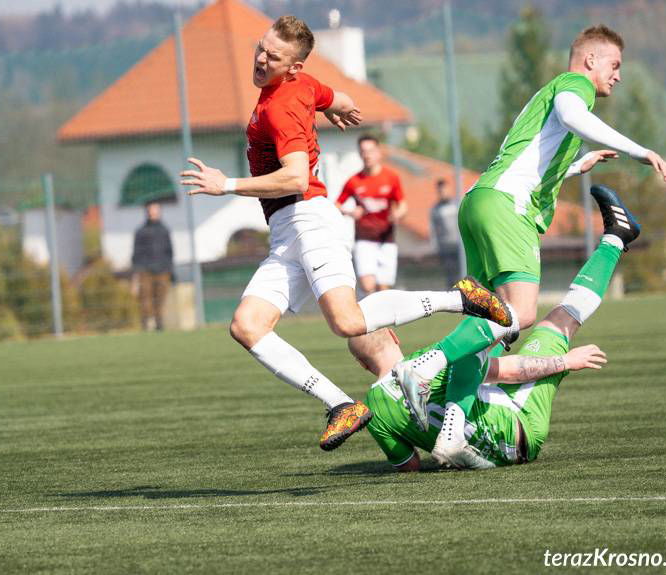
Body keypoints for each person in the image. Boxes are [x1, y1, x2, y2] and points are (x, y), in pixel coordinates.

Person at [181, 15, 511, 451]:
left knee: (348, 322)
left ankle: (461, 298)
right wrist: (338, 107)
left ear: (293, 67)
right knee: (247, 325)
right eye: (261, 47)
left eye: (273, 56)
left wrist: (226, 185)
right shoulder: (302, 85)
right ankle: (339, 404)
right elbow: (341, 97)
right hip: (285, 232)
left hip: (309, 219)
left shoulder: (279, 108)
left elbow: (296, 177)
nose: (261, 58)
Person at [394, 25, 666, 465]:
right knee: (519, 315)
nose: (617, 76)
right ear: (590, 60)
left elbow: (533, 160)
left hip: (481, 202)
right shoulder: (573, 86)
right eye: (614, 65)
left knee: (483, 333)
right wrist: (638, 149)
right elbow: (574, 113)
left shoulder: (551, 103)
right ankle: (423, 366)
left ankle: (452, 431)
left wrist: (578, 164)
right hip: (507, 210)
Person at [353, 185, 637, 469]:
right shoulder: (440, 355)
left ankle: (458, 431)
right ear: (393, 335)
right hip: (519, 427)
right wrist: (565, 361)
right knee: (560, 319)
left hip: (485, 449)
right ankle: (616, 239)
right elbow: (510, 372)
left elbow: (409, 464)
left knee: (488, 335)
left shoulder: (373, 411)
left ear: (362, 363)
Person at [335, 134, 407, 293]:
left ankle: (385, 317)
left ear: (378, 152)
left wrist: (397, 214)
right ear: (360, 154)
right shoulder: (354, 181)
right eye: (363, 151)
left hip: (386, 239)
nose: (367, 155)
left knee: (383, 288)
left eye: (371, 150)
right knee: (368, 286)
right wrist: (350, 211)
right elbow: (336, 205)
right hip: (364, 239)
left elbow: (402, 205)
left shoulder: (391, 177)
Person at [131, 201, 173, 332]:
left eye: (155, 210)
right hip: (145, 270)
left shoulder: (164, 230)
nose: (152, 212)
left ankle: (159, 325)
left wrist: (170, 269)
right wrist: (136, 273)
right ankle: (145, 325)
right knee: (145, 299)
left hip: (162, 270)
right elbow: (136, 253)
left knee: (160, 300)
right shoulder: (141, 231)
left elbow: (169, 251)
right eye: (150, 210)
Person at [429, 178, 460, 288]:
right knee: (451, 278)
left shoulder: (458, 205)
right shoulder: (435, 209)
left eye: (444, 190)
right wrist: (435, 248)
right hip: (446, 249)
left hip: (460, 248)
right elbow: (434, 231)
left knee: (465, 275)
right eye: (440, 191)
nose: (442, 193)